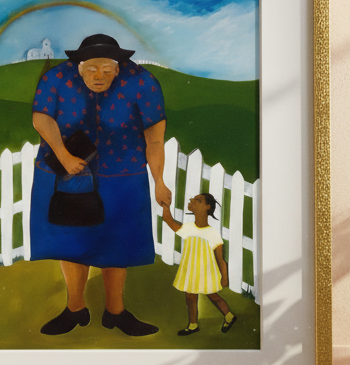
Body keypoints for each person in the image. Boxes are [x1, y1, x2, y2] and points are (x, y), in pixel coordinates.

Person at [30, 33, 171, 337]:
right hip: (66, 170)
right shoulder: (56, 78)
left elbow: (155, 136)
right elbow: (41, 118)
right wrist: (65, 156)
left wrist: (159, 181)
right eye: (92, 69)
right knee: (71, 241)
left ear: (119, 68)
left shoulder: (142, 82)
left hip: (123, 173)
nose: (99, 76)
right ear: (79, 66)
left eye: (107, 71)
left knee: (117, 244)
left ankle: (116, 313)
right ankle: (75, 309)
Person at [161, 192, 237, 335]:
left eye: (198, 200)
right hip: (190, 271)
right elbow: (168, 219)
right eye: (194, 199)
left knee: (213, 296)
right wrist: (166, 205)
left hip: (206, 273)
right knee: (190, 297)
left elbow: (221, 260)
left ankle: (229, 316)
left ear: (207, 207)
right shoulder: (189, 228)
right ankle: (193, 325)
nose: (192, 200)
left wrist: (224, 277)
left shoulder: (212, 233)